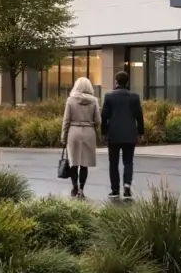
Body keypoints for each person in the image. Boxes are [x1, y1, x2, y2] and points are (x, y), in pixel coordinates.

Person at [101, 70, 145, 200]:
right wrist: (141, 132)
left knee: (113, 162)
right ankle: (127, 186)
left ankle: (115, 190)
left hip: (114, 134)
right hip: (130, 133)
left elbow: (104, 116)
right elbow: (139, 116)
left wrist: (104, 132)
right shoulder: (134, 97)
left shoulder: (109, 97)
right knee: (128, 161)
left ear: (116, 81)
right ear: (127, 82)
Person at [61, 77, 101, 199]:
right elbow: (98, 120)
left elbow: (66, 120)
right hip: (88, 132)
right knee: (85, 163)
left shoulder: (70, 100)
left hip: (74, 132)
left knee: (74, 162)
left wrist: (63, 136)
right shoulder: (94, 101)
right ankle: (81, 189)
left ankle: (74, 187)